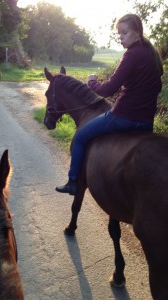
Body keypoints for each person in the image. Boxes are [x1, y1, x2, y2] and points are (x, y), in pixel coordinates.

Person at [56, 13, 164, 196]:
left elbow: (108, 90)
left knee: (81, 137)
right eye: (119, 33)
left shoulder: (131, 55)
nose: (120, 37)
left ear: (137, 32)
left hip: (123, 117)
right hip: (146, 122)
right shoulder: (152, 56)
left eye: (124, 33)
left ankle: (73, 181)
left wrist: (91, 83)